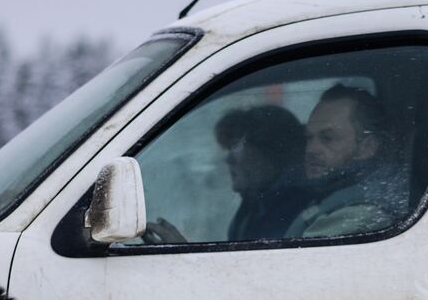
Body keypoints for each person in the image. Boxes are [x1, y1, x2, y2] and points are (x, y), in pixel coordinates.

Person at [143, 104, 306, 244]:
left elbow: (252, 274)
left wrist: (182, 253)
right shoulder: (253, 206)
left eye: (236, 147)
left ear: (270, 152)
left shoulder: (294, 211)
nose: (228, 159)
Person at [285, 83, 408, 239]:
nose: (311, 149)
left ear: (367, 147)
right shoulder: (335, 197)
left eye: (328, 138)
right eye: (309, 138)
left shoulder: (359, 215)